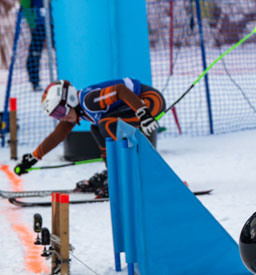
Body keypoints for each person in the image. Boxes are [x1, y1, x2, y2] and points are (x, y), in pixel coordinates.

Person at [13, 78, 165, 198]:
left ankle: (124, 175)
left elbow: (120, 90)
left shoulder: (88, 101)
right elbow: (58, 135)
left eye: (60, 111)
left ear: (70, 99)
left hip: (149, 102)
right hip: (138, 106)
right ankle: (113, 172)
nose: (62, 117)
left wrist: (142, 112)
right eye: (56, 115)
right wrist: (34, 157)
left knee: (105, 124)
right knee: (96, 127)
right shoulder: (75, 111)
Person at [19, 0, 51, 91]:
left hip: (49, 22)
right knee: (35, 52)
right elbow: (25, 3)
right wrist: (32, 23)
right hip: (37, 23)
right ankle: (34, 80)